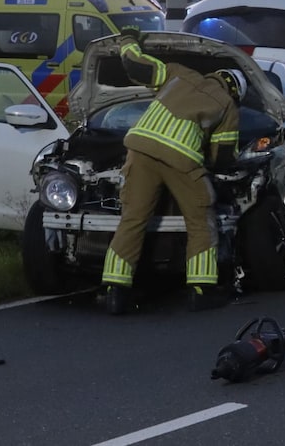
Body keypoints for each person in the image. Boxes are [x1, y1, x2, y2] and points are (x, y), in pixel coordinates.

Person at [101, 29, 244, 315]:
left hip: (139, 149)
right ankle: (201, 290)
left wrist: (128, 40)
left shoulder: (179, 74)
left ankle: (115, 292)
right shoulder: (227, 105)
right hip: (182, 159)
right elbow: (222, 155)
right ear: (235, 91)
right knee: (201, 220)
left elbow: (136, 65)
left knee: (132, 219)